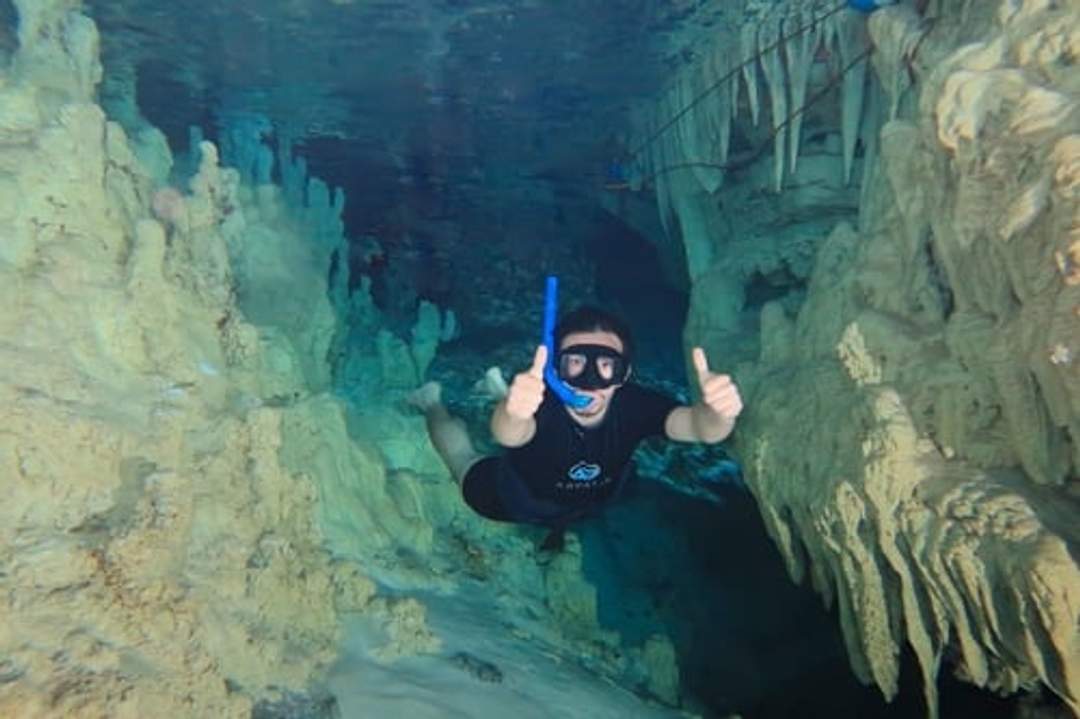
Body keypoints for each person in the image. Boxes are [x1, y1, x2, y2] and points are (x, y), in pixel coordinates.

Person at [409, 306, 743, 550]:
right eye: (576, 363)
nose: (589, 383)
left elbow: (700, 428)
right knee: (461, 458)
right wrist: (513, 412)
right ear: (557, 370)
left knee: (520, 409)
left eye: (606, 366)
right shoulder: (545, 405)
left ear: (624, 375)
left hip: (588, 505)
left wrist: (719, 415)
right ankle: (431, 401)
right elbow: (509, 433)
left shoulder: (636, 405)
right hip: (513, 499)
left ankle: (499, 389)